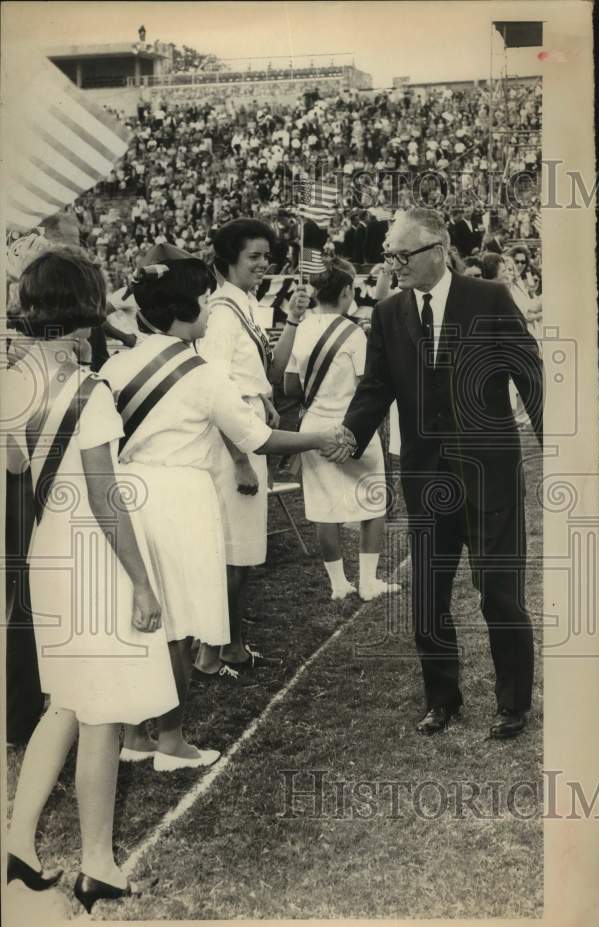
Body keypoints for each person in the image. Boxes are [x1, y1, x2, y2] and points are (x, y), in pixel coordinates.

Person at [101, 243, 343, 728]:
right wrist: (319, 436)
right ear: (186, 310)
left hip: (126, 495)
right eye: (205, 302)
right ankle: (170, 737)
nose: (210, 308)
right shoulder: (204, 373)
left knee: (139, 615)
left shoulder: (114, 366)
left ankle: (135, 734)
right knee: (179, 623)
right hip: (180, 498)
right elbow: (259, 437)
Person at [6, 247, 178, 912]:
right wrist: (140, 581)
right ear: (87, 308)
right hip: (94, 563)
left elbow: (19, 469)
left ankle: (20, 842)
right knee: (103, 715)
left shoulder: (16, 384)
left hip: (48, 555)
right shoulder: (90, 389)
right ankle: (97, 862)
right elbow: (108, 501)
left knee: (67, 704)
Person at [331, 208, 543, 740]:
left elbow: (531, 376)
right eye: (389, 256)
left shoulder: (489, 298)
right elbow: (376, 389)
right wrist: (351, 433)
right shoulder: (387, 314)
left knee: (500, 594)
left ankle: (513, 704)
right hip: (427, 481)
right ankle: (441, 700)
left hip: (490, 474)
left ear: (439, 248)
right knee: (427, 596)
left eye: (402, 255)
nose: (393, 265)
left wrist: (560, 448)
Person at [197, 219, 310, 675]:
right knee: (232, 556)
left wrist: (295, 319)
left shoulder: (246, 304)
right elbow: (213, 388)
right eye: (254, 257)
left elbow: (270, 370)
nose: (264, 265)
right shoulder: (222, 313)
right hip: (232, 447)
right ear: (229, 260)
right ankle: (213, 651)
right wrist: (240, 459)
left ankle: (229, 645)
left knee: (243, 555)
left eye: (267, 256)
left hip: (248, 430)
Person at [284, 259, 400, 601]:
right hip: (353, 426)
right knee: (374, 501)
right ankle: (367, 581)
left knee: (324, 507)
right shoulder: (354, 333)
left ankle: (338, 584)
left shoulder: (302, 328)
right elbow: (368, 387)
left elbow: (290, 386)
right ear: (348, 292)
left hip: (314, 427)